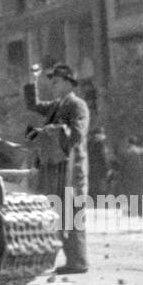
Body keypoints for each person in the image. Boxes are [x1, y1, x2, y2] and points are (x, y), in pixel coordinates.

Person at [24, 62, 91, 274]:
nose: (53, 85)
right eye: (52, 82)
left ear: (69, 83)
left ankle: (78, 262)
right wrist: (31, 80)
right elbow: (33, 104)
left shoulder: (77, 105)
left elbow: (77, 134)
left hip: (73, 169)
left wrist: (49, 132)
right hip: (58, 169)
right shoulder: (57, 105)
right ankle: (70, 260)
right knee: (60, 214)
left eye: (57, 81)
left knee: (73, 215)